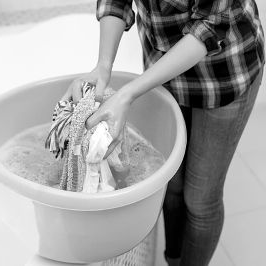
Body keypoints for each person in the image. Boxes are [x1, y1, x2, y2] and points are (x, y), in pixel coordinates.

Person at [62, 0, 265, 265]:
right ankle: (174, 257)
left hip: (225, 74)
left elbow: (210, 25)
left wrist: (129, 93)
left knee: (201, 200)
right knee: (171, 184)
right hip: (166, 74)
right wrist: (103, 65)